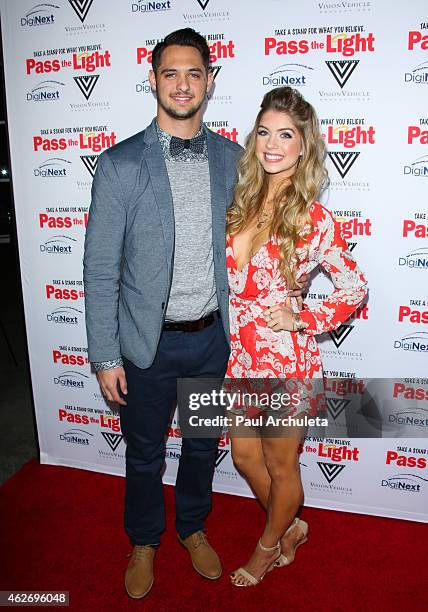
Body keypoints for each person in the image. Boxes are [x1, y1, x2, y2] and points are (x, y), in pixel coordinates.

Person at [83, 29, 307, 599]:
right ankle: (143, 540)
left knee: (203, 446)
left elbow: (275, 235)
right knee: (145, 450)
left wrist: (300, 293)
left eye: (193, 73)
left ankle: (192, 527)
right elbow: (100, 269)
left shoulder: (236, 160)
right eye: (170, 73)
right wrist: (106, 354)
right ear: (153, 79)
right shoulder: (119, 165)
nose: (182, 84)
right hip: (146, 343)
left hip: (213, 340)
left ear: (210, 80)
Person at [225, 86, 368, 586]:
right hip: (242, 357)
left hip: (288, 363)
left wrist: (302, 316)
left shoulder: (313, 217)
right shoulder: (241, 202)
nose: (272, 143)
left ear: (304, 145)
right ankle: (291, 527)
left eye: (285, 135)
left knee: (283, 468)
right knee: (244, 456)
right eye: (264, 132)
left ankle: (267, 549)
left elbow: (354, 286)